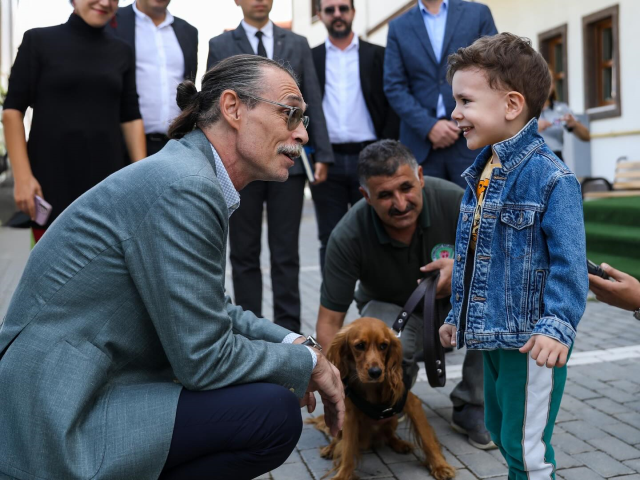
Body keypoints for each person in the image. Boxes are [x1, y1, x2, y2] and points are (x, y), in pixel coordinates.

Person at [0, 55, 345, 480]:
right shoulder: (186, 186)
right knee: (270, 414)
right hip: (58, 409)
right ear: (234, 108)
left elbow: (215, 311)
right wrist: (306, 366)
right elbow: (204, 359)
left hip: (89, 383)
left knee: (267, 391)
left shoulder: (188, 173)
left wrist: (299, 345)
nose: (302, 134)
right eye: (290, 113)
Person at [439, 33, 589, 479]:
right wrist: (456, 315)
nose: (455, 113)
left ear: (511, 105)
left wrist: (557, 327)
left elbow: (570, 263)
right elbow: (474, 257)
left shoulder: (551, 178)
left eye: (466, 100)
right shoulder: (483, 172)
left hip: (531, 342)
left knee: (528, 450)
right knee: (502, 430)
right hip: (492, 334)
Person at [317, 139, 495, 450]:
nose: (400, 203)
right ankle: (388, 402)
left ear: (421, 177)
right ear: (366, 196)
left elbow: (503, 265)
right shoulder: (347, 235)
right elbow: (330, 323)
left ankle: (473, 405)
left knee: (496, 305)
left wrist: (461, 268)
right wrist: (335, 390)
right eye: (385, 195)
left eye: (406, 188)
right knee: (383, 331)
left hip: (459, 307)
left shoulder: (457, 202)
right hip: (396, 313)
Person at [207, 0, 333, 334]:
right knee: (243, 252)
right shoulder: (220, 45)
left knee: (286, 252)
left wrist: (323, 153)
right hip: (241, 166)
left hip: (286, 162)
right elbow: (213, 105)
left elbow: (313, 101)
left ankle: (289, 330)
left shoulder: (296, 43)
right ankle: (251, 330)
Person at [2, 0, 146, 243]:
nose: (105, 2)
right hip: (50, 183)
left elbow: (130, 117)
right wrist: (23, 178)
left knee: (104, 273)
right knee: (52, 273)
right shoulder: (38, 41)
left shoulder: (122, 51)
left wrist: (144, 177)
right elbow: (12, 111)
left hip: (108, 184)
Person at [311, 0, 399, 271]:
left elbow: (392, 106)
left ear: (353, 12)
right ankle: (332, 310)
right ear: (319, 15)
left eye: (342, 8)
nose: (337, 14)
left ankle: (374, 306)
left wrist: (387, 153)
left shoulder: (378, 54)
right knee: (331, 237)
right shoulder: (310, 57)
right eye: (330, 10)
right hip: (327, 162)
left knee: (379, 232)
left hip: (371, 157)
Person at [384, 0, 497, 189]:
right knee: (428, 214)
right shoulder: (398, 26)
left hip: (472, 140)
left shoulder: (478, 14)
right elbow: (393, 86)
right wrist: (429, 126)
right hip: (421, 146)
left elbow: (493, 70)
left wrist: (462, 117)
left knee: (477, 214)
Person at [109, 0, 199, 156]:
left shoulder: (188, 31)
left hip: (176, 144)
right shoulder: (112, 21)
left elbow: (189, 88)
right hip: (121, 144)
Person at [538, 68, 590, 161]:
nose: (545, 86)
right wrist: (533, 128)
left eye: (548, 82)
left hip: (556, 159)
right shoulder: (526, 109)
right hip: (533, 159)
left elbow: (586, 136)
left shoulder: (561, 109)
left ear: (553, 85)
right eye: (541, 81)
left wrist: (574, 124)